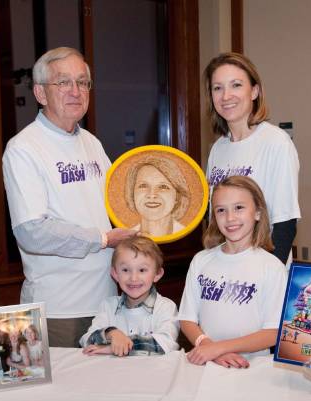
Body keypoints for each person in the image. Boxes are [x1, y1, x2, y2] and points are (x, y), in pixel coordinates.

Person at [3, 47, 135, 347]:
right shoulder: (24, 148)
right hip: (57, 310)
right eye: (63, 82)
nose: (75, 91)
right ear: (40, 93)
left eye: (82, 82)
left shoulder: (92, 144)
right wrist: (103, 239)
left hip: (105, 304)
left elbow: (119, 206)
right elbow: (31, 231)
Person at [178, 176, 286, 368]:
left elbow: (274, 331)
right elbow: (187, 318)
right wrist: (208, 347)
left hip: (253, 368)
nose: (230, 218)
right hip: (207, 363)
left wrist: (218, 348)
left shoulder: (272, 267)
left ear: (258, 213)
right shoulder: (201, 260)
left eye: (239, 208)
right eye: (221, 210)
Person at [204, 52, 300, 265]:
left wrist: (267, 276)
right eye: (217, 88)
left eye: (236, 85)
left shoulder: (276, 142)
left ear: (254, 91)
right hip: (227, 270)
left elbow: (285, 223)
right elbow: (213, 219)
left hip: (262, 271)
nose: (226, 96)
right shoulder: (218, 149)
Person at [80, 236, 179, 356]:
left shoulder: (166, 307)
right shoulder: (108, 306)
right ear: (115, 274)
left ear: (157, 274)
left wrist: (116, 347)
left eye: (142, 270)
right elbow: (86, 340)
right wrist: (112, 333)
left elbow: (165, 344)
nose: (133, 278)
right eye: (126, 270)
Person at [124, 155, 189, 237]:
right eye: (143, 185)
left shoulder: (190, 238)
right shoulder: (123, 239)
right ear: (132, 194)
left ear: (178, 197)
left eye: (163, 187)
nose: (152, 195)